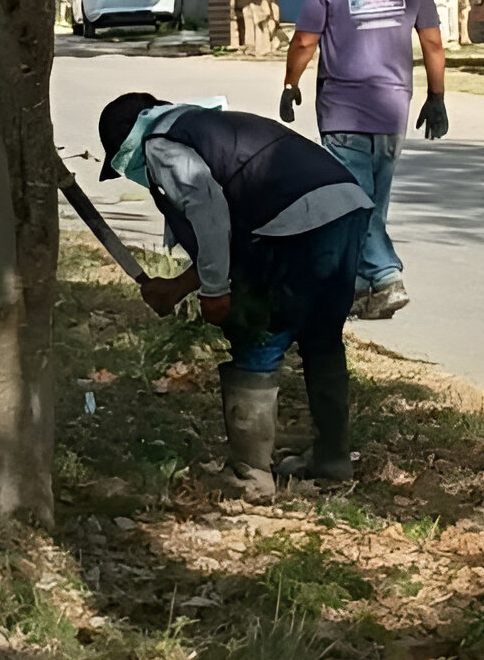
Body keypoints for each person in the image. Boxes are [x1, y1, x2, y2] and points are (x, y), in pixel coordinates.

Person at [99, 91, 370, 493]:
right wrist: (177, 287)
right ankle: (332, 458)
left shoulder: (160, 144)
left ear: (126, 145)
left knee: (258, 331)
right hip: (344, 208)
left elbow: (209, 215)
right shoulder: (201, 126)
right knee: (322, 339)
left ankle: (252, 474)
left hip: (294, 223)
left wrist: (214, 291)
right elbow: (233, 238)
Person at [281, 0, 447, 321]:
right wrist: (436, 97)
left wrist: (290, 85)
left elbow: (303, 42)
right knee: (372, 201)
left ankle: (387, 276)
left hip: (344, 112)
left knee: (354, 204)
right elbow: (432, 43)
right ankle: (356, 290)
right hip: (393, 108)